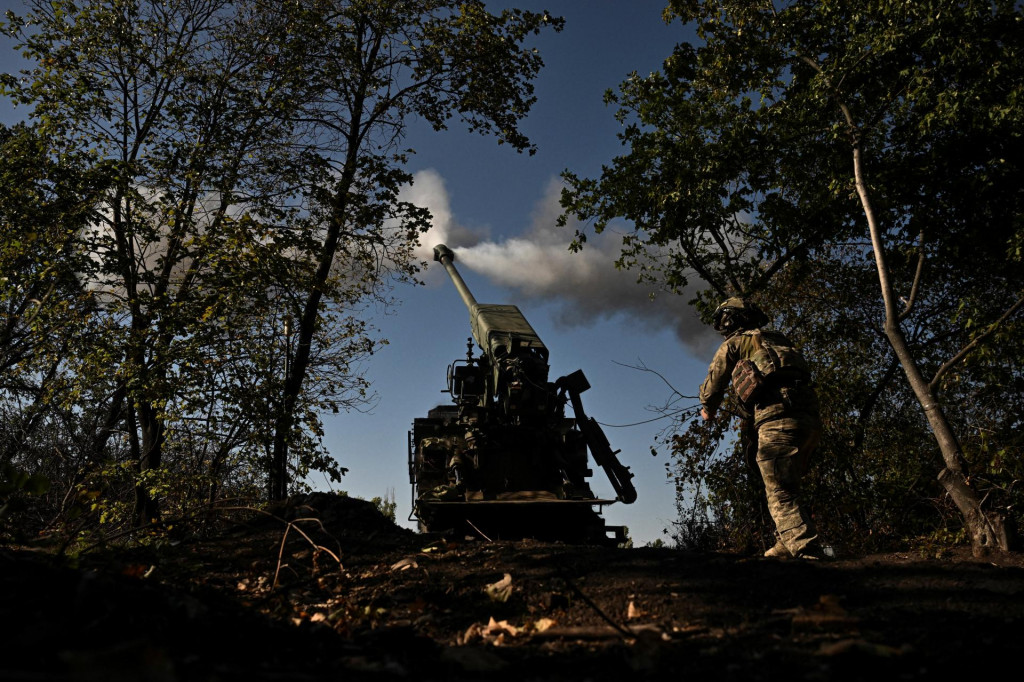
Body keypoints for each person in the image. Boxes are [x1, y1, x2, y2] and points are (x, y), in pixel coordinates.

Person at [698, 296, 825, 560]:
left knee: (779, 487)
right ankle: (784, 543)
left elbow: (715, 382)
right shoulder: (779, 339)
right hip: (809, 417)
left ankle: (804, 547)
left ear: (729, 320)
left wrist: (707, 408)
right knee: (788, 483)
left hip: (775, 417)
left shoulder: (735, 344)